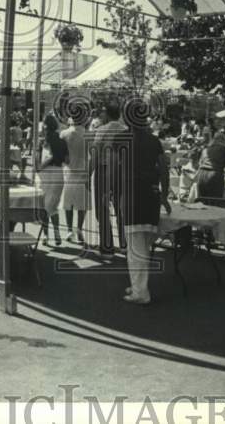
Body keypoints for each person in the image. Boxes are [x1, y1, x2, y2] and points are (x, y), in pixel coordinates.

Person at [121, 100, 171, 305]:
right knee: (143, 244)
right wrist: (165, 195)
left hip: (132, 195)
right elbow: (164, 170)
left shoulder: (122, 139)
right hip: (151, 195)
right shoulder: (154, 140)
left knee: (135, 247)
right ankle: (138, 285)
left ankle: (141, 292)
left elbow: (116, 169)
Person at [89, 101, 127, 255]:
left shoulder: (102, 130)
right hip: (122, 171)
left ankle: (107, 246)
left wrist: (88, 173)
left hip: (104, 170)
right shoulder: (125, 129)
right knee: (121, 208)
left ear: (108, 114)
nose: (101, 115)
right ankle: (124, 244)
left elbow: (96, 154)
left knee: (102, 209)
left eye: (103, 112)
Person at [37, 114, 69, 247]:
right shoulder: (62, 140)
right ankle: (56, 233)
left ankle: (45, 235)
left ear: (45, 126)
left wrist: (40, 166)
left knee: (43, 206)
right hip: (58, 173)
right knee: (53, 207)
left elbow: (41, 161)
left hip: (46, 174)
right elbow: (67, 160)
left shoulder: (43, 141)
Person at [59, 109, 90, 245]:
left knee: (68, 202)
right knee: (81, 203)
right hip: (83, 169)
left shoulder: (64, 133)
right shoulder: (88, 134)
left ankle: (70, 230)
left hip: (68, 170)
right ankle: (79, 229)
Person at [193, 132, 225, 198]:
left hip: (201, 175)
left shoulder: (206, 149)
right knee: (216, 201)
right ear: (223, 140)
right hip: (215, 175)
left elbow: (200, 163)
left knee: (202, 201)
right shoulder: (224, 149)